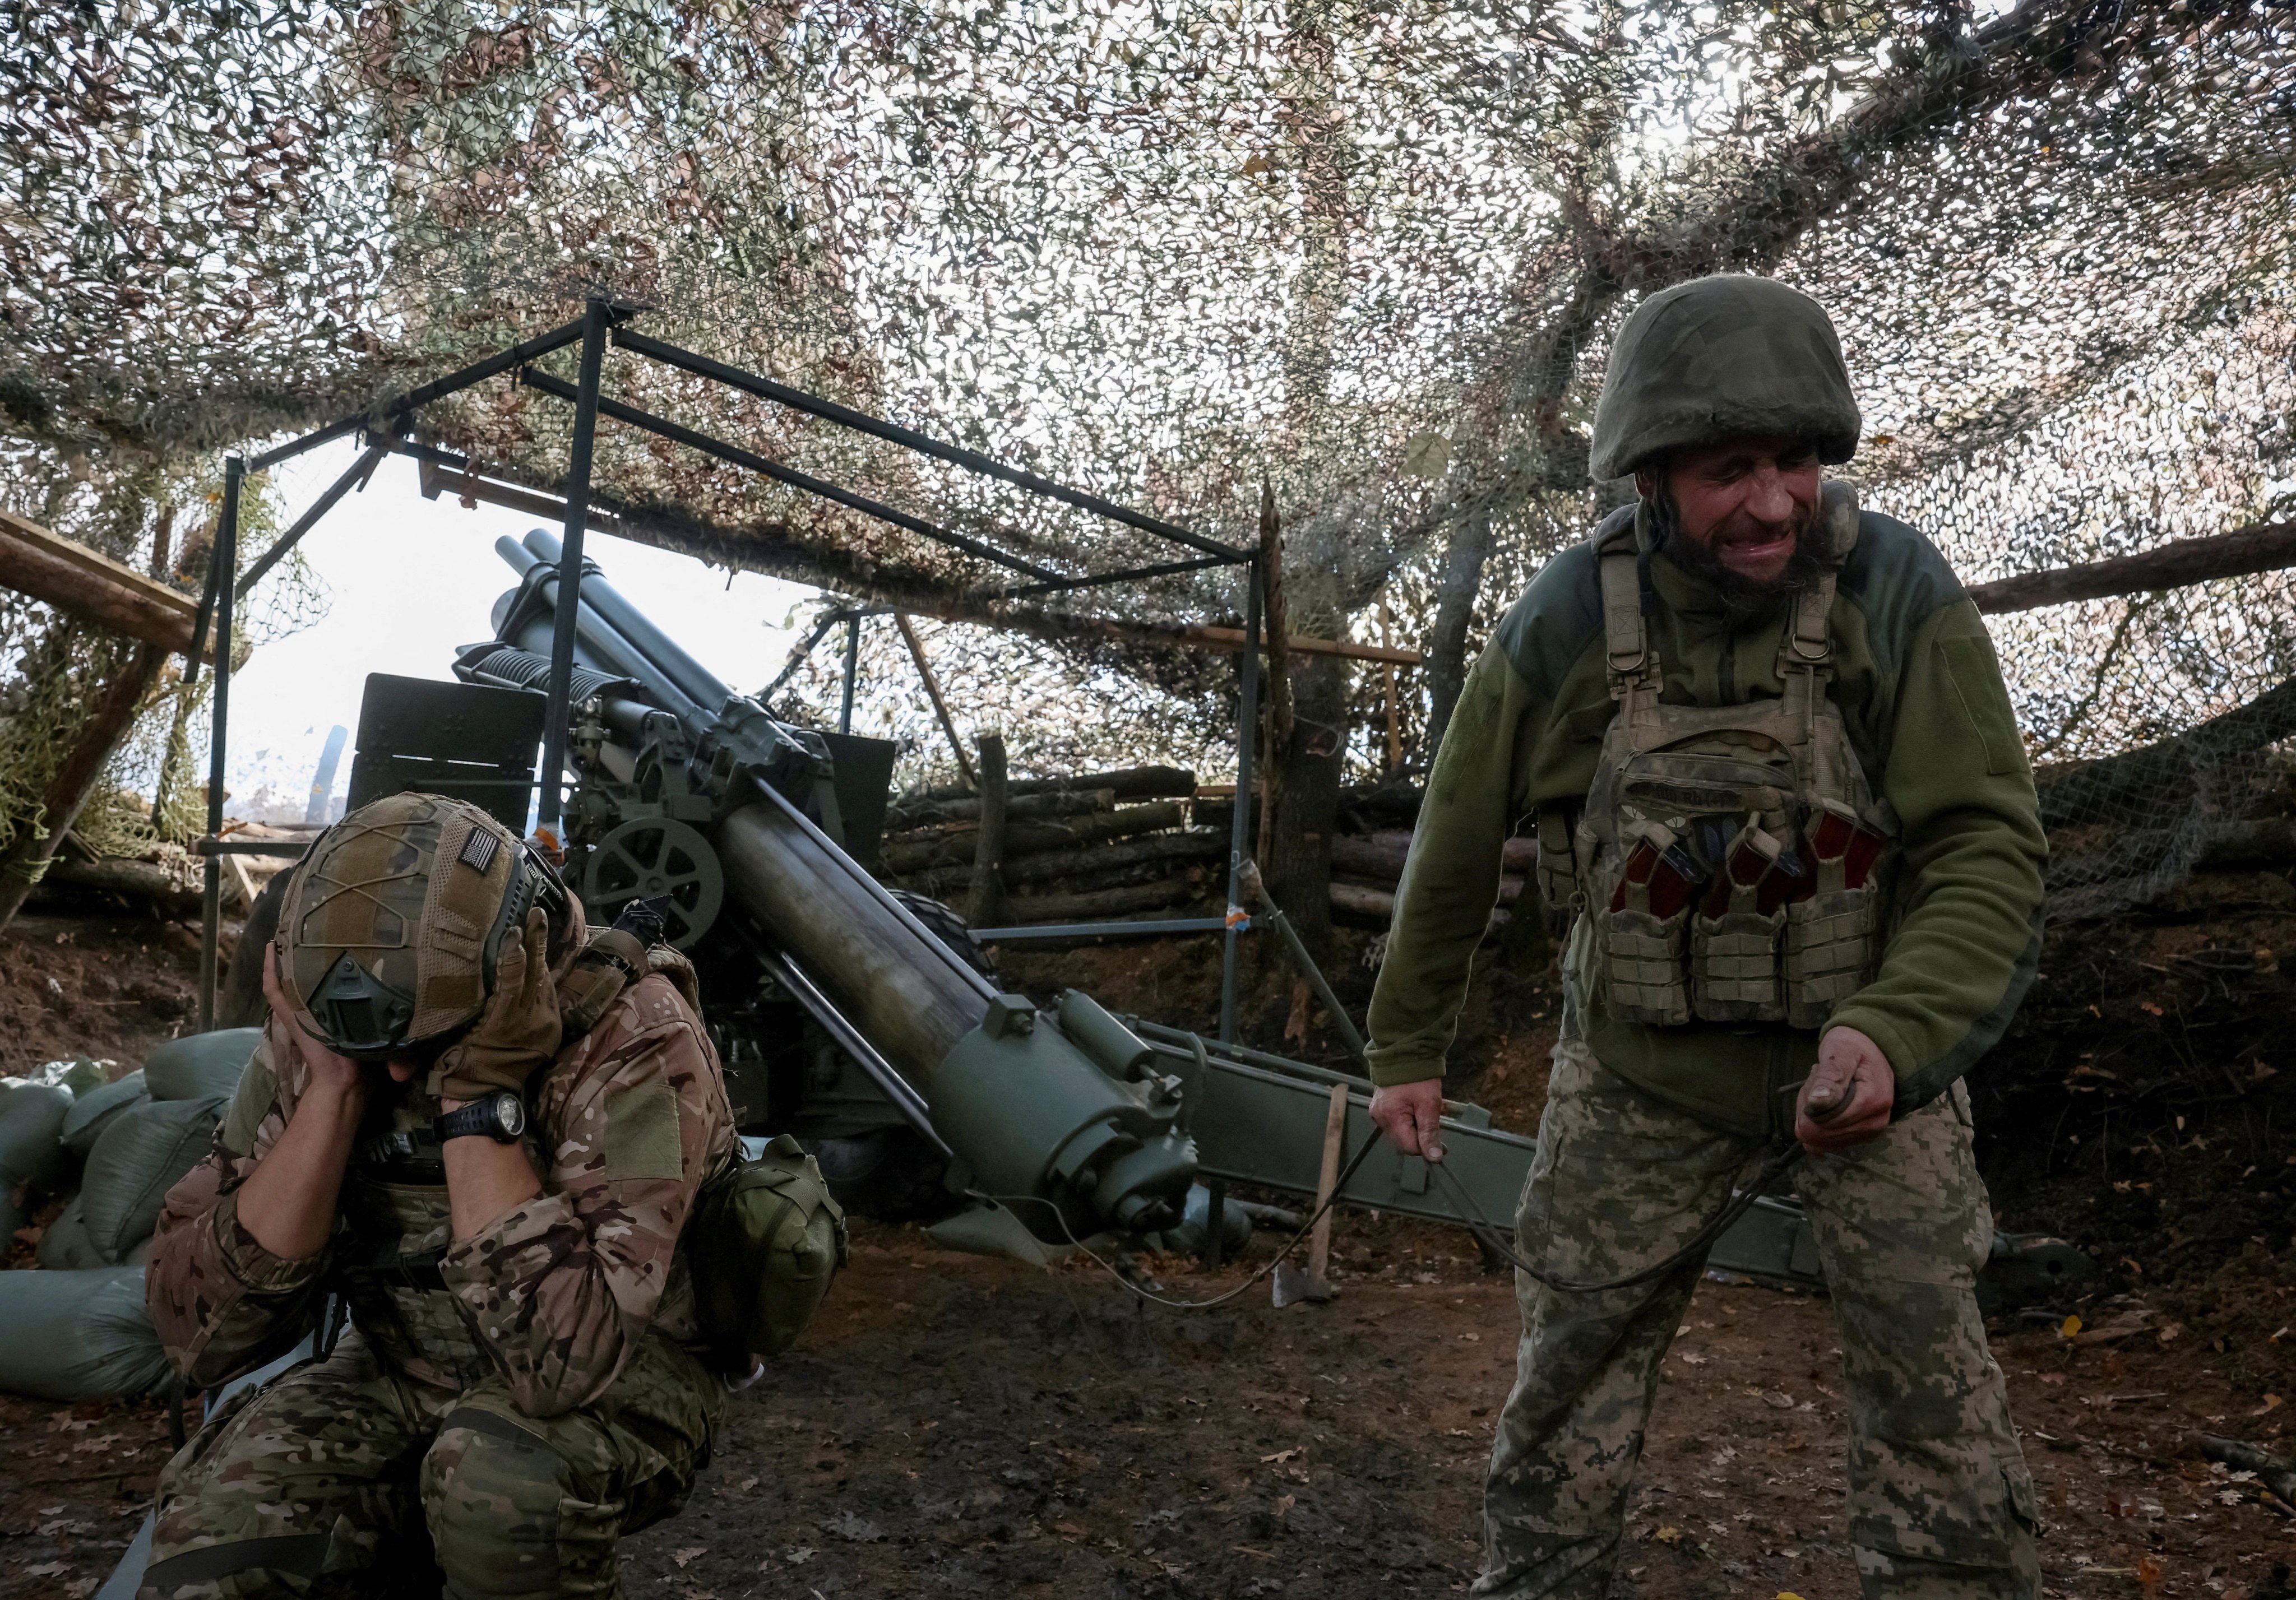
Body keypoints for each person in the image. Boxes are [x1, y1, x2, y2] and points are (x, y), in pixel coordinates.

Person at [1365, 274, 2047, 1600]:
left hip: (1865, 1074)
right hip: (1636, 1076)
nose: (1776, 502)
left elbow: (1984, 844)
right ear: (1650, 475)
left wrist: (1891, 1034)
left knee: (1932, 1396)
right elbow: (1452, 841)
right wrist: (1407, 1042)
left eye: (1795, 460)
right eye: (1732, 468)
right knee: (1566, 1382)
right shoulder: (1566, 616)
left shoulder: (1894, 589)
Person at [141, 790, 738, 1598]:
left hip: (625, 1378)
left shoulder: (633, 1028)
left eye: (417, 1047)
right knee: (222, 1532)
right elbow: (197, 1335)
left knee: (498, 1483)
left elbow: (564, 1369)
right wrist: (333, 1092)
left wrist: (478, 1100)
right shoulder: (332, 1027)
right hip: (399, 1363)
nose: (397, 1074)